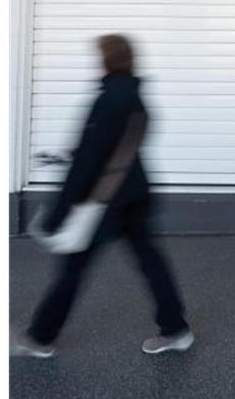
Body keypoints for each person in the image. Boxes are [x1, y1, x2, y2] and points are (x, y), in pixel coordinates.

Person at [12, 34, 193, 358]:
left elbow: (86, 167)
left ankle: (40, 338)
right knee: (151, 263)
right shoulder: (137, 96)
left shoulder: (107, 99)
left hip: (105, 202)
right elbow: (121, 146)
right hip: (135, 194)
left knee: (73, 269)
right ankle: (176, 330)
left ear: (106, 60)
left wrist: (58, 215)